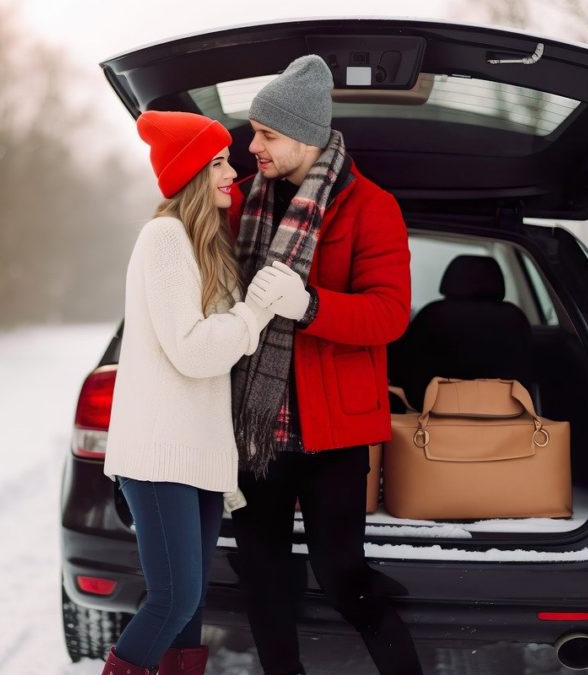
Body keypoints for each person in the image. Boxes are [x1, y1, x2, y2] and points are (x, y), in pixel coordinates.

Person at [229, 55, 423, 675]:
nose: (251, 145)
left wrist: (309, 305)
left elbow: (389, 315)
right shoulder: (240, 201)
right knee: (262, 577)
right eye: (253, 131)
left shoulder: (371, 208)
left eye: (267, 134)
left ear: (307, 137)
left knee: (343, 579)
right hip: (252, 430)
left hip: (332, 435)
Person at [100, 110, 276, 675]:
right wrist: (254, 314)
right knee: (171, 599)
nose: (233, 170)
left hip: (194, 454)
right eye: (220, 161)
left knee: (191, 603)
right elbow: (195, 351)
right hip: (159, 454)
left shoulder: (206, 245)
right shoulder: (165, 237)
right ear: (193, 173)